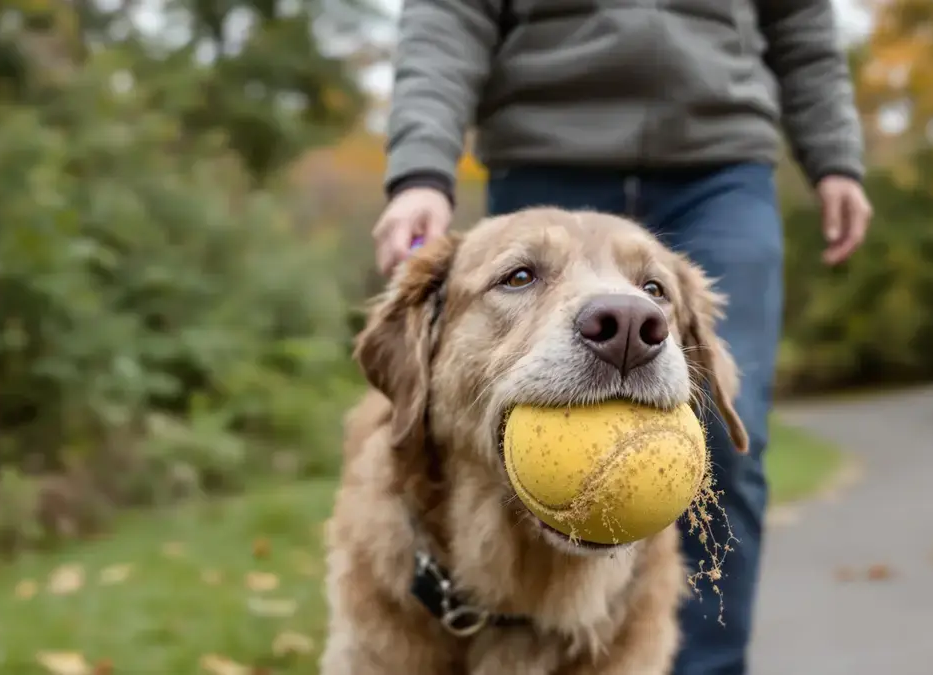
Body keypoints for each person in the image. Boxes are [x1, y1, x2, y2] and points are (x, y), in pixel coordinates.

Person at [371, 1, 873, 673]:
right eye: (522, 274)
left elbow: (802, 24)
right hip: (544, 138)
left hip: (721, 160)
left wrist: (835, 152)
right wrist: (421, 170)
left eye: (651, 299)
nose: (626, 314)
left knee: (723, 436)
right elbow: (449, 14)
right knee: (497, 420)